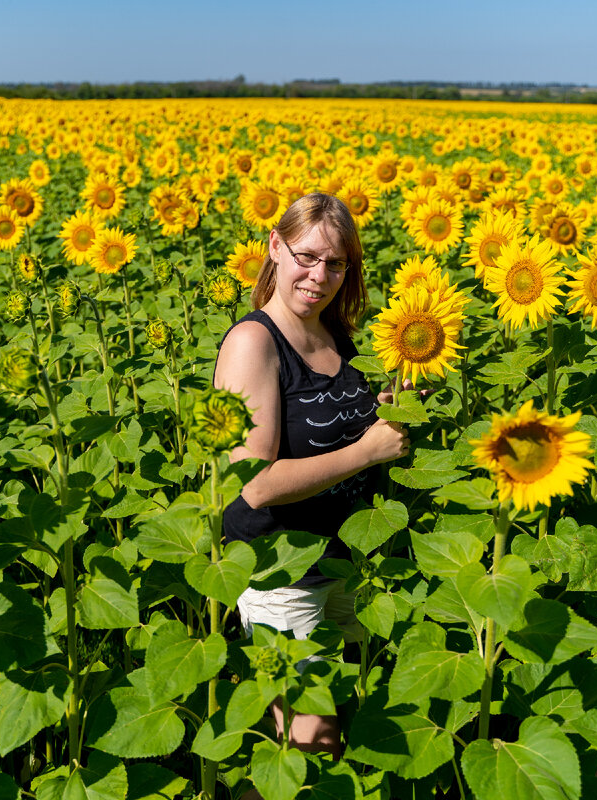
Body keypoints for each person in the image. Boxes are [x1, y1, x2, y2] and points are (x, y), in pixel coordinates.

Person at [213, 193, 411, 762]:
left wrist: (387, 411)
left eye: (336, 263)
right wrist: (367, 451)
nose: (318, 276)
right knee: (310, 744)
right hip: (282, 572)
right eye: (306, 256)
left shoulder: (335, 332)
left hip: (347, 562)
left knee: (335, 734)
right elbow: (254, 482)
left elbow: (338, 422)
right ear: (274, 247)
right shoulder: (253, 342)